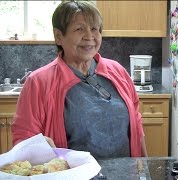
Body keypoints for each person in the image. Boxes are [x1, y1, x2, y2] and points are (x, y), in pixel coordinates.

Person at [11, 1, 147, 159]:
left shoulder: (118, 72)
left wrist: (144, 169)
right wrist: (35, 146)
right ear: (58, 36)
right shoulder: (38, 82)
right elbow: (23, 139)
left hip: (125, 174)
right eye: (79, 29)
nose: (90, 36)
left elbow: (136, 125)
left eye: (94, 29)